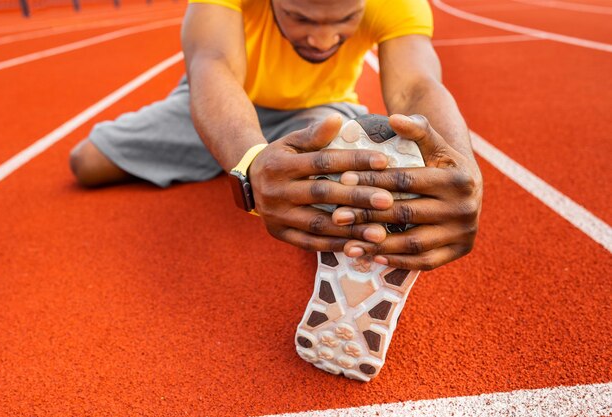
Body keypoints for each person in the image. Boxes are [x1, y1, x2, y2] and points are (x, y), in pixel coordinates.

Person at [69, 0, 483, 379]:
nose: (322, 39)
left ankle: (343, 231)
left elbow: (417, 86)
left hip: (318, 115)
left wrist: (460, 167)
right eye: (299, 17)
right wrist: (249, 165)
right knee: (87, 163)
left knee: (351, 175)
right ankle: (255, 162)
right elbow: (212, 64)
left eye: (345, 20)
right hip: (227, 99)